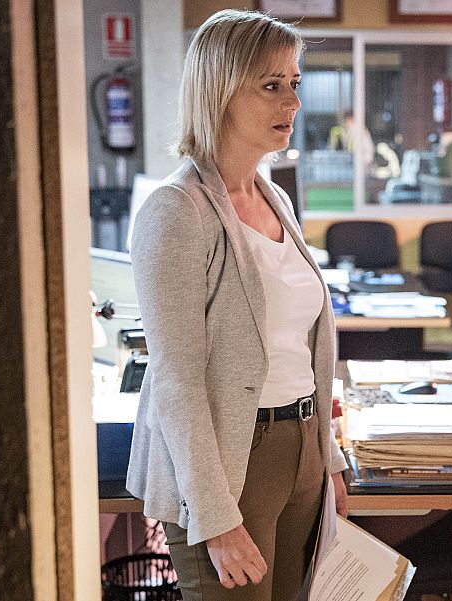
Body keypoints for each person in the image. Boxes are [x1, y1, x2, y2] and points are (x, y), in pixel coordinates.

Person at [126, 10, 349, 601]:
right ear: (219, 90)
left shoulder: (274, 198)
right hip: (230, 461)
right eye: (271, 85)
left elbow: (299, 349)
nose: (292, 102)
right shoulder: (176, 211)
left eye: (294, 83)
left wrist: (325, 458)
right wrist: (214, 516)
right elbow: (175, 380)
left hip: (300, 446)